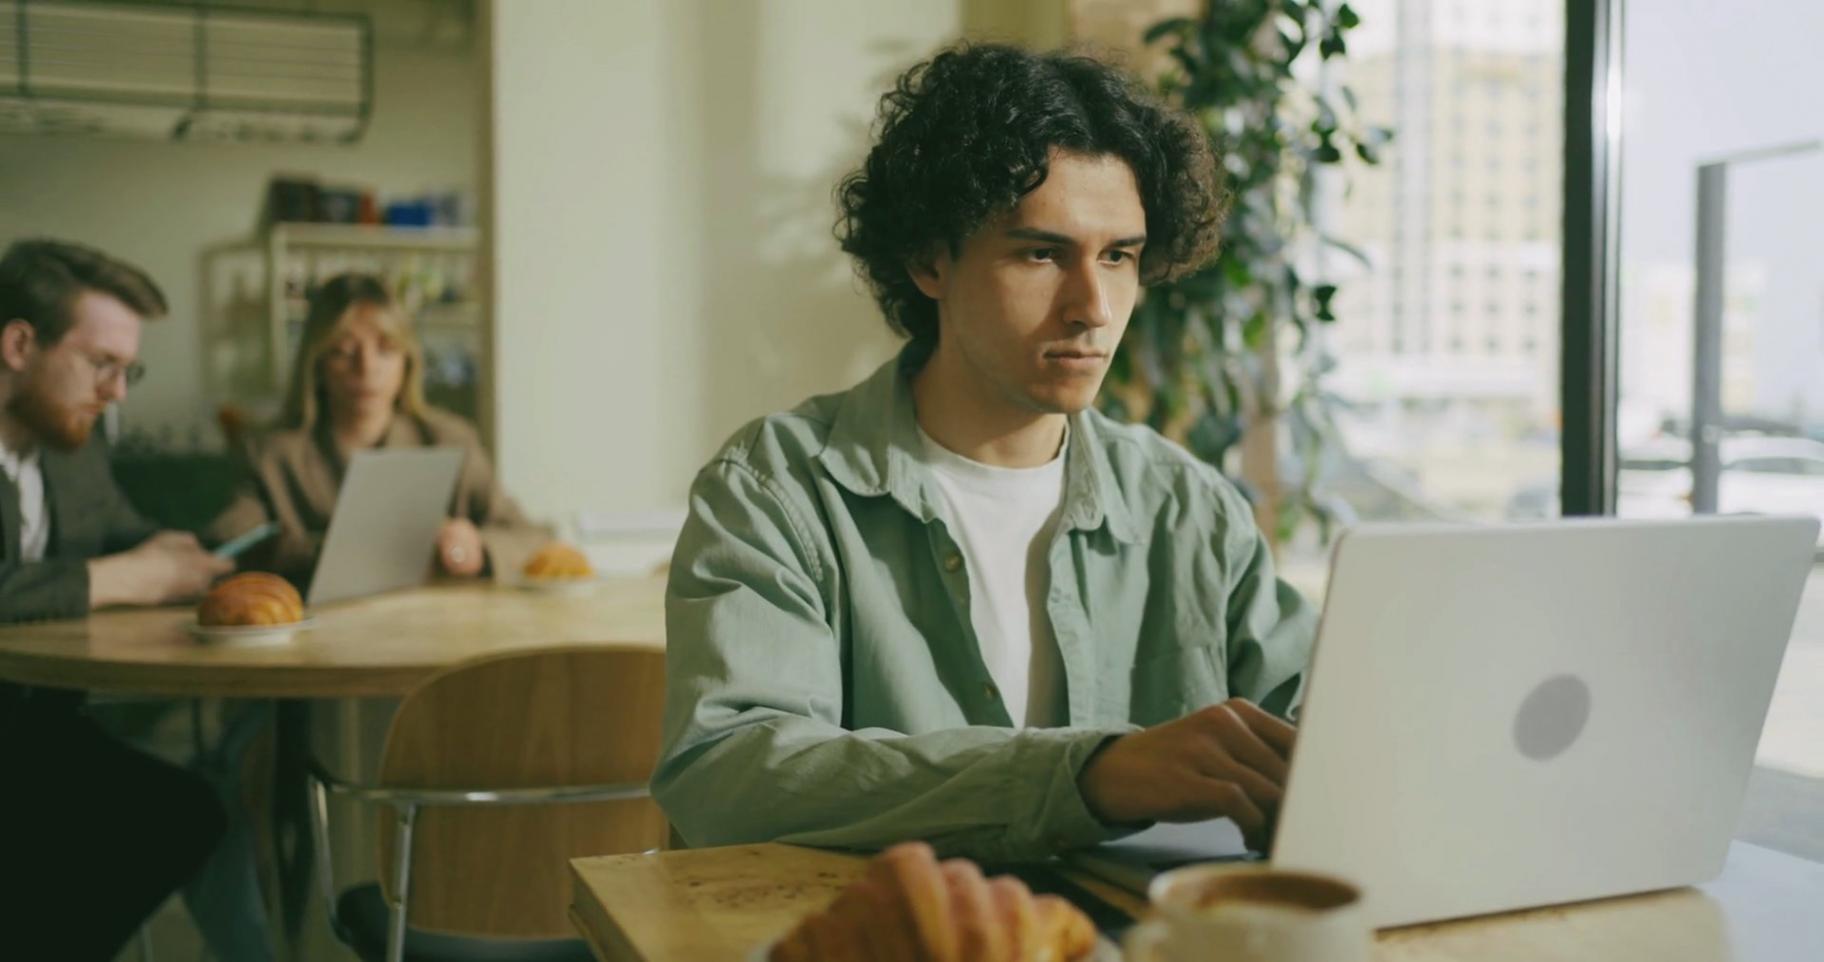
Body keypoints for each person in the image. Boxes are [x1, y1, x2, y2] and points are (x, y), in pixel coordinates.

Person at [653, 43, 1318, 864]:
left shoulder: (1187, 506)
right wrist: (1091, 776)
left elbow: (1333, 732)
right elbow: (729, 773)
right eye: (1042, 253)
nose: (1093, 308)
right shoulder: (779, 489)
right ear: (930, 259)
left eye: (1120, 257)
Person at [0, 238, 229, 959]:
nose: (118, 393)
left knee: (187, 814)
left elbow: (130, 535)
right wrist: (120, 580)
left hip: (38, 731)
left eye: (129, 371)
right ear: (18, 344)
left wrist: (203, 561)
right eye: (103, 365)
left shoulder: (72, 445)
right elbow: (120, 568)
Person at [208, 272, 548, 584]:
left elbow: (531, 538)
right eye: (343, 351)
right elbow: (226, 548)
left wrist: (475, 550)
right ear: (317, 363)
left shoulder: (450, 441)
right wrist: (335, 551)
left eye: (386, 349)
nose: (367, 368)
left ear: (408, 360)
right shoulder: (269, 455)